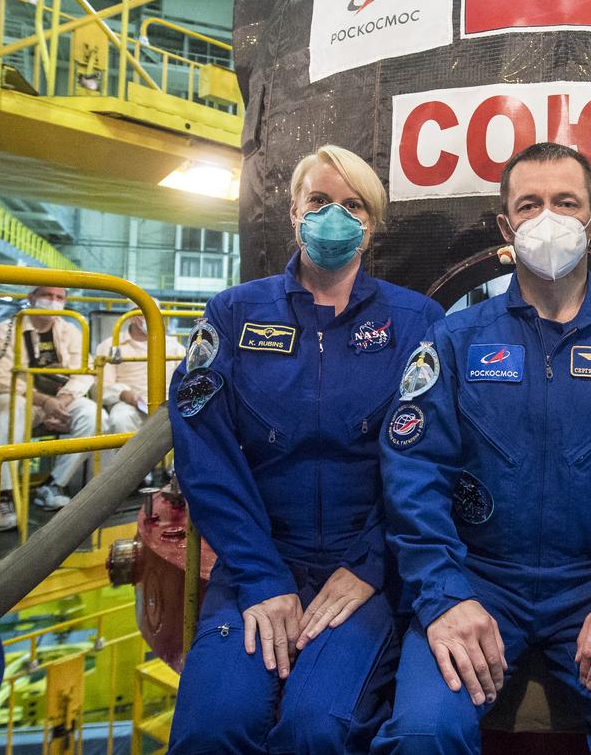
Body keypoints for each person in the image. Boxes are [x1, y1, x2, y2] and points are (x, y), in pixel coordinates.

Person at [373, 143, 591, 754]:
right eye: (529, 205)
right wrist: (444, 595)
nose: (548, 218)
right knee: (423, 733)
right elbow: (412, 477)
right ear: (506, 227)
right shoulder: (454, 341)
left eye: (566, 202)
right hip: (477, 578)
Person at [166, 145, 444, 754]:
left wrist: (371, 565)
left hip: (365, 569)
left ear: (371, 224)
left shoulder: (416, 322)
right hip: (258, 559)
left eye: (352, 205)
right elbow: (205, 454)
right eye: (319, 201)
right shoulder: (233, 314)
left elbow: (429, 462)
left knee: (317, 727)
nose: (334, 217)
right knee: (213, 726)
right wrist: (261, 576)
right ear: (294, 213)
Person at [0, 286, 97, 529]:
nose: (53, 301)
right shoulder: (5, 330)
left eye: (59, 297)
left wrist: (63, 401)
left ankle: (54, 484)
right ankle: (3, 494)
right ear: (31, 297)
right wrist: (44, 402)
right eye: (47, 295)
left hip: (60, 399)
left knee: (92, 414)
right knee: (8, 412)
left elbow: (85, 371)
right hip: (19, 398)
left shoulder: (71, 330)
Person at [95, 308, 186, 451]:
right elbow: (103, 386)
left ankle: (172, 465)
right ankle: (130, 465)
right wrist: (124, 394)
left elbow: (184, 380)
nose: (151, 317)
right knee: (120, 419)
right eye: (144, 313)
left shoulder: (174, 347)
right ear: (131, 317)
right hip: (128, 403)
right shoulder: (111, 345)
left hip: (167, 403)